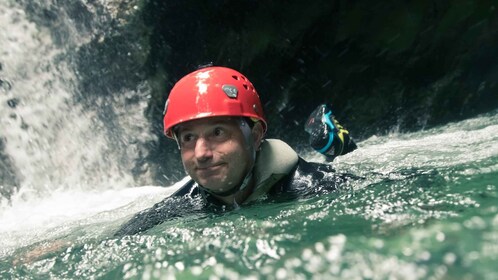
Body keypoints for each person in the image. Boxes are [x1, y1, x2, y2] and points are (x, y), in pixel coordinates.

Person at [115, 66, 357, 236]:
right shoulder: (181, 204)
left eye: (218, 133)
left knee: (350, 158)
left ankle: (334, 140)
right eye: (188, 138)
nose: (201, 153)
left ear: (255, 135)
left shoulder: (316, 185)